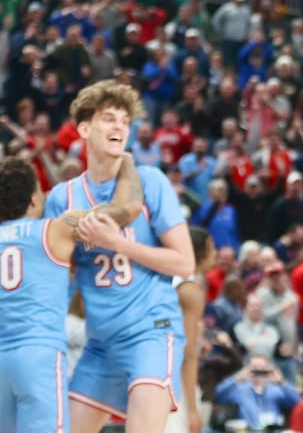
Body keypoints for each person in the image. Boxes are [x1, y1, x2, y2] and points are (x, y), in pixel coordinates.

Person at [43, 80, 196, 433]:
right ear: (84, 128)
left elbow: (184, 262)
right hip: (100, 343)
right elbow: (60, 276)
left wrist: (120, 243)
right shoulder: (62, 198)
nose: (119, 128)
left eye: (124, 121)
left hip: (151, 333)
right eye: (109, 119)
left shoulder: (151, 182)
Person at [0, 155, 143, 433]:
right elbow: (127, 208)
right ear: (33, 199)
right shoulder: (56, 229)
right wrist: (127, 166)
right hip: (37, 352)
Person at [165, 226, 217, 433]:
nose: (215, 253)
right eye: (211, 248)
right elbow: (188, 354)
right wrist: (193, 411)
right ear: (199, 253)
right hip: (173, 380)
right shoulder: (190, 290)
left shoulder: (169, 279)